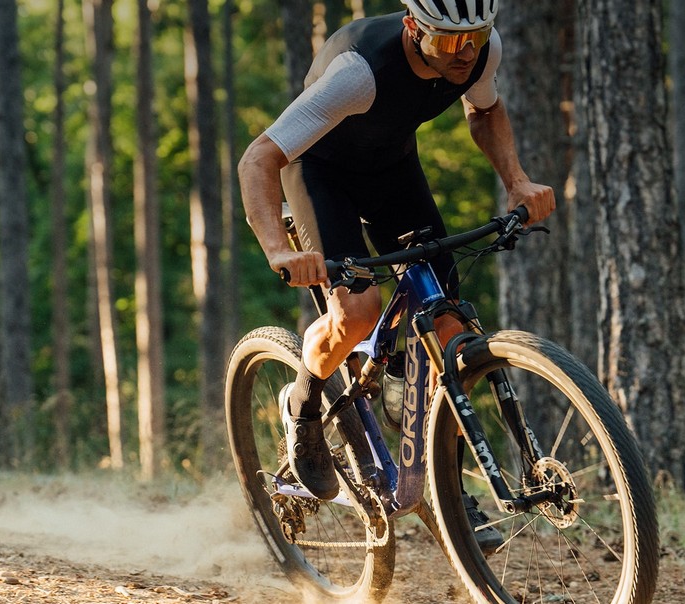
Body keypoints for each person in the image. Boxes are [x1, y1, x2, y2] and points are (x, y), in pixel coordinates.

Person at [238, 0, 555, 547]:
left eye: (476, 37)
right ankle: (303, 406)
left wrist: (517, 181)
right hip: (319, 173)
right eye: (448, 41)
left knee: (450, 327)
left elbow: (485, 112)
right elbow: (259, 158)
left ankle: (445, 483)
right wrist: (278, 250)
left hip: (390, 170)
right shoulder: (359, 74)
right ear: (413, 27)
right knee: (357, 314)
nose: (465, 53)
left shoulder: (481, 50)